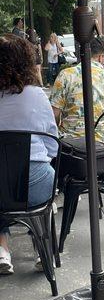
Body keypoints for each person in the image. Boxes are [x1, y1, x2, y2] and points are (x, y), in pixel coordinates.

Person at [0, 34, 58, 275]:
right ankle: (41, 248)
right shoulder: (36, 95)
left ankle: (2, 250)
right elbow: (52, 143)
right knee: (45, 197)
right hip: (35, 181)